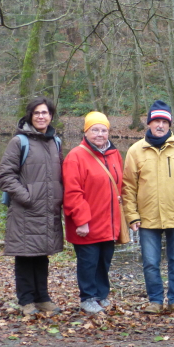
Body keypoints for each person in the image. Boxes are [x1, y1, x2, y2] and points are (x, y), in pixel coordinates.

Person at [122, 100, 174, 314]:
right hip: (147, 218)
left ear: (170, 124)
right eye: (156, 121)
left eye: (164, 121)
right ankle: (155, 300)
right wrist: (132, 217)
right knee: (150, 262)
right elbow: (128, 187)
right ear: (149, 124)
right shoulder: (135, 150)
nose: (160, 125)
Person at [0, 97, 64, 316]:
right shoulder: (19, 142)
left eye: (45, 113)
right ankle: (26, 300)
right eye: (37, 113)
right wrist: (28, 197)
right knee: (25, 256)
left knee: (41, 255)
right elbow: (5, 176)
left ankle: (42, 297)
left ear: (51, 116)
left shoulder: (55, 142)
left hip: (48, 211)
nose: (41, 116)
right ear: (30, 116)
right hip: (25, 210)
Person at [62, 112, 123, 314]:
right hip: (87, 223)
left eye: (103, 130)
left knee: (104, 260)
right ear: (86, 132)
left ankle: (101, 295)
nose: (99, 134)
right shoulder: (75, 156)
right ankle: (87, 297)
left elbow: (119, 186)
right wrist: (81, 220)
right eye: (94, 130)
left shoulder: (114, 154)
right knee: (88, 262)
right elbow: (72, 192)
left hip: (109, 221)